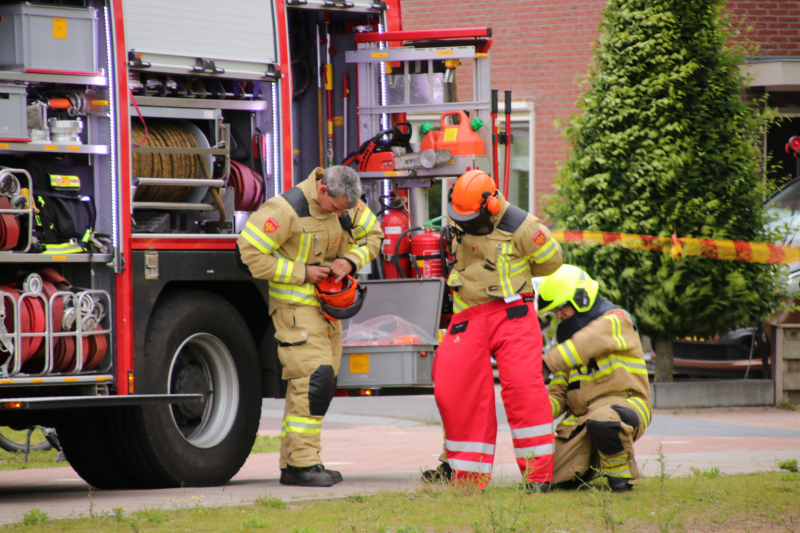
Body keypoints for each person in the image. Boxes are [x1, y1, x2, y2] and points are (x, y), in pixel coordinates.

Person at [237, 166, 383, 487]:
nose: (341, 214)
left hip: (329, 311)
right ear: (322, 190)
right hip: (296, 309)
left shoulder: (345, 202)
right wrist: (302, 272)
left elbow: (374, 236)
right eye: (336, 208)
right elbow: (247, 254)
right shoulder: (285, 210)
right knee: (313, 382)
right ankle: (304, 463)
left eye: (346, 209)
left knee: (314, 386)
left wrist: (351, 261)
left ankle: (295, 463)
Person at [430, 169, 563, 491]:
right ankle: (467, 478)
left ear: (490, 205)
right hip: (468, 315)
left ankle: (537, 478)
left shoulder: (522, 226)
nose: (465, 223)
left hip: (512, 314)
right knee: (453, 388)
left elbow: (551, 261)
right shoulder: (459, 217)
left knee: (523, 390)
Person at [537, 264, 651, 492]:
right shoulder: (568, 348)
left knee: (603, 420)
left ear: (581, 297)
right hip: (582, 419)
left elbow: (588, 340)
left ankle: (620, 479)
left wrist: (544, 364)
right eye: (553, 312)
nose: (558, 316)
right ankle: (592, 459)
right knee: (550, 478)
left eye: (561, 308)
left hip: (624, 406)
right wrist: (531, 408)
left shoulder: (617, 320)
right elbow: (559, 392)